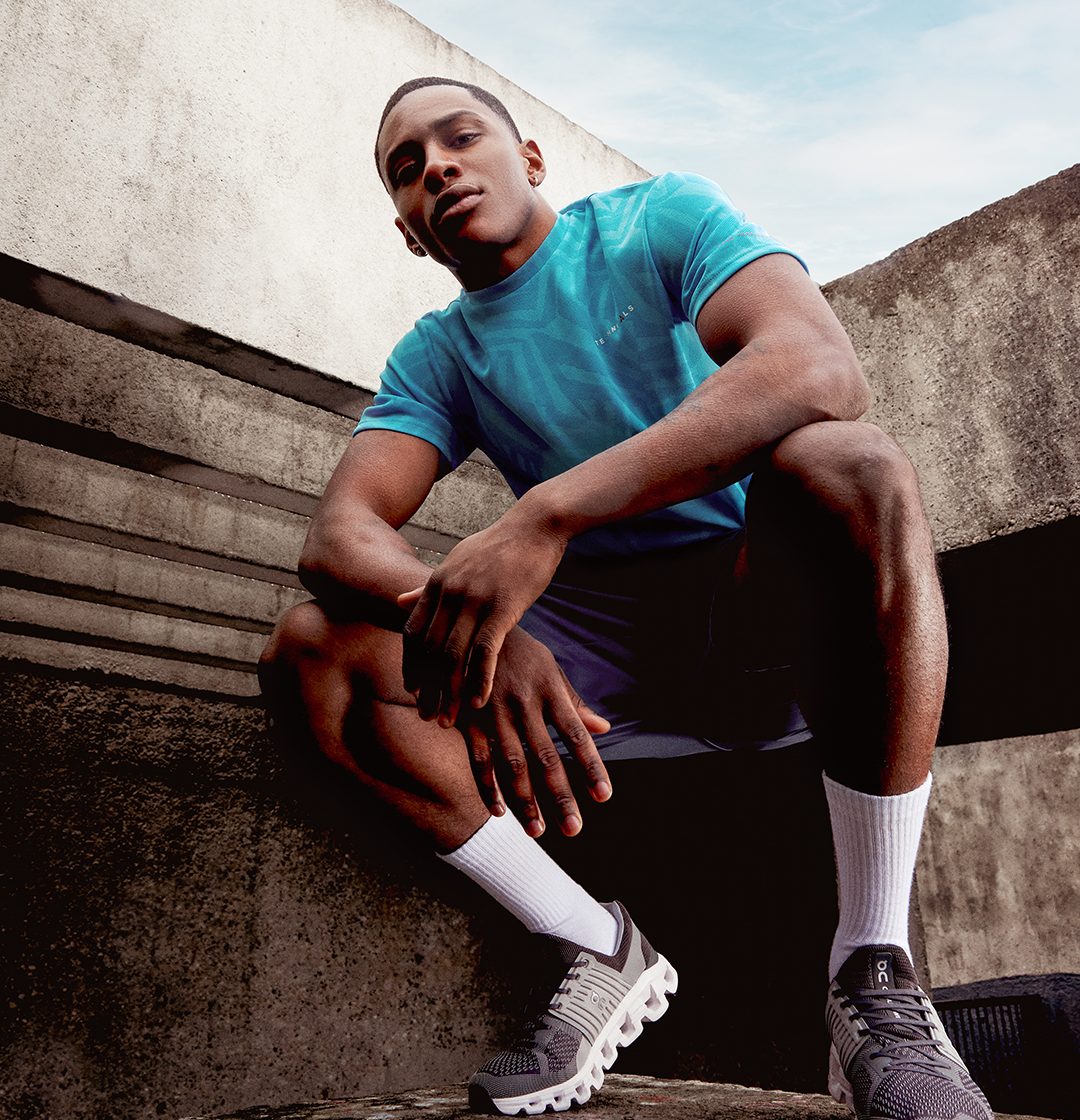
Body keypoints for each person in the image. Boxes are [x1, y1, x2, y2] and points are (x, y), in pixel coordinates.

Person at [259, 76, 993, 1120]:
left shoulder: (658, 220)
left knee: (850, 466)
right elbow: (339, 535)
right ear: (410, 232)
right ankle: (597, 946)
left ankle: (874, 967)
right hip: (591, 671)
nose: (439, 168)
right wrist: (479, 632)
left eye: (460, 138)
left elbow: (816, 365)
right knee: (315, 651)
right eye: (408, 170)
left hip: (752, 622)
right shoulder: (438, 353)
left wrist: (545, 515)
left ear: (532, 160)